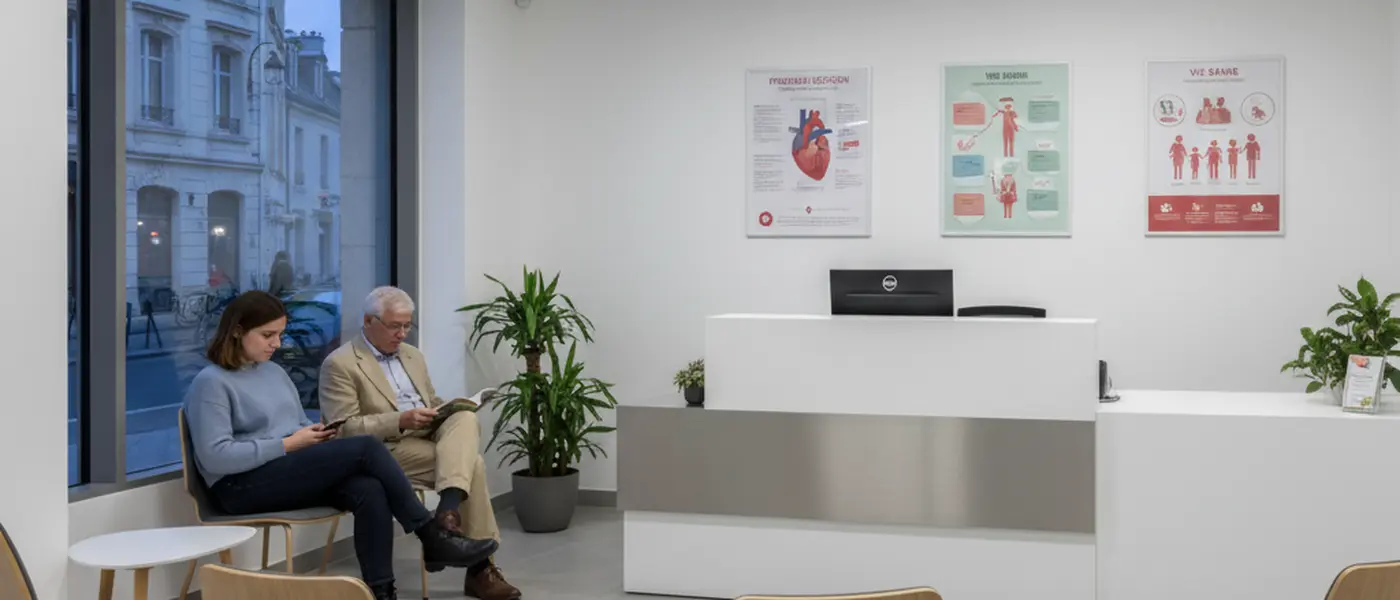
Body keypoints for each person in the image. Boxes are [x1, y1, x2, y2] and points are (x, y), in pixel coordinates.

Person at [183, 291, 498, 600]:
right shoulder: (211, 383)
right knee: (365, 448)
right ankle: (430, 534)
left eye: (279, 334)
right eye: (268, 335)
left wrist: (313, 433)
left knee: (369, 488)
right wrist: (289, 444)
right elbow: (215, 458)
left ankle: (382, 592)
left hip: (281, 469)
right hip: (237, 488)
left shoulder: (273, 372)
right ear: (237, 331)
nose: (277, 344)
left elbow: (291, 424)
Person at [318, 287, 521, 600]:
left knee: (465, 418)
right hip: (384, 450)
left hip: (425, 435)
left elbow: (429, 400)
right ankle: (479, 568)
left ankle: (446, 516)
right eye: (394, 326)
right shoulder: (341, 364)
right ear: (368, 321)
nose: (402, 334)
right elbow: (342, 430)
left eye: (407, 326)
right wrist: (399, 420)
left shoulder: (413, 356)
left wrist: (447, 408)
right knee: (473, 464)